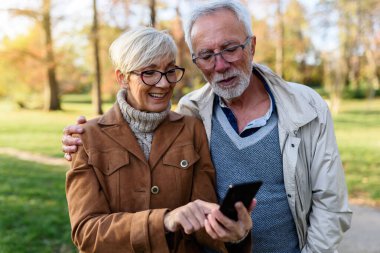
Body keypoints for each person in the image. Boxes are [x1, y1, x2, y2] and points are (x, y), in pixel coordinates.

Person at [62, 1, 352, 252]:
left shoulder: (305, 107)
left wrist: (237, 238)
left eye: (229, 49)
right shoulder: (193, 111)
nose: (220, 64)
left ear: (251, 45)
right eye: (206, 54)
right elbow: (86, 232)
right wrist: (83, 137)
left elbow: (330, 202)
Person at [65, 26, 254, 253]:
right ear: (122, 78)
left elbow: (203, 221)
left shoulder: (192, 130)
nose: (164, 83)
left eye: (170, 70)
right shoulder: (87, 138)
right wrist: (163, 220)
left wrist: (233, 235)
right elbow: (86, 233)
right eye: (149, 72)